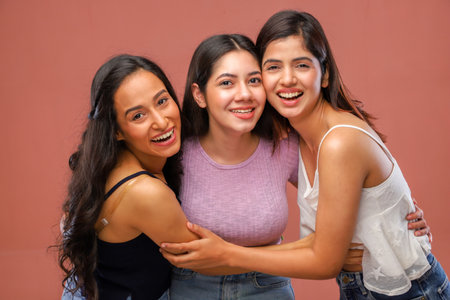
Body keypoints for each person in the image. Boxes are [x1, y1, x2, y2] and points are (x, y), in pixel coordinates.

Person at [161, 11, 448, 299]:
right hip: (363, 285)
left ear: (324, 76)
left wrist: (227, 255)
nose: (287, 79)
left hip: (404, 289)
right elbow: (336, 226)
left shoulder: (334, 142)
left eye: (301, 65)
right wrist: (394, 217)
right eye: (273, 68)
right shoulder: (297, 139)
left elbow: (325, 258)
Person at [58, 54, 200, 300]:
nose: (161, 121)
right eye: (138, 116)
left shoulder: (103, 165)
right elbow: (205, 261)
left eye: (162, 101)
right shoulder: (144, 191)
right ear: (117, 131)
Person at [169, 33, 299, 299]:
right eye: (227, 82)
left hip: (268, 287)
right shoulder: (175, 152)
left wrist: (394, 209)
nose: (244, 94)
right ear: (199, 95)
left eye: (254, 81)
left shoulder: (285, 145)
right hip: (191, 287)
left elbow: (339, 196)